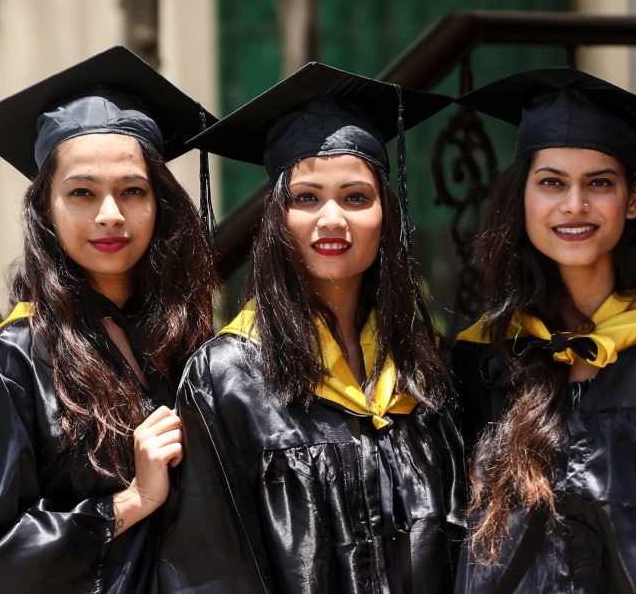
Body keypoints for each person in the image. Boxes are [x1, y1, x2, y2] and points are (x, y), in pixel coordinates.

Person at [0, 46, 219, 594]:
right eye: (81, 192)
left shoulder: (183, 340)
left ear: (160, 203)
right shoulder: (13, 365)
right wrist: (131, 501)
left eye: (132, 190)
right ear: (45, 208)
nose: (109, 214)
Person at [155, 62, 462, 593]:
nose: (332, 219)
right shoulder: (229, 377)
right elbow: (210, 569)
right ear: (276, 218)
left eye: (356, 197)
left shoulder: (422, 363)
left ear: (386, 214)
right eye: (306, 198)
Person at [447, 67, 636, 593]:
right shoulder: (480, 359)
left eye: (599, 183)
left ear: (633, 199)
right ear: (522, 198)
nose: (574, 205)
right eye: (551, 182)